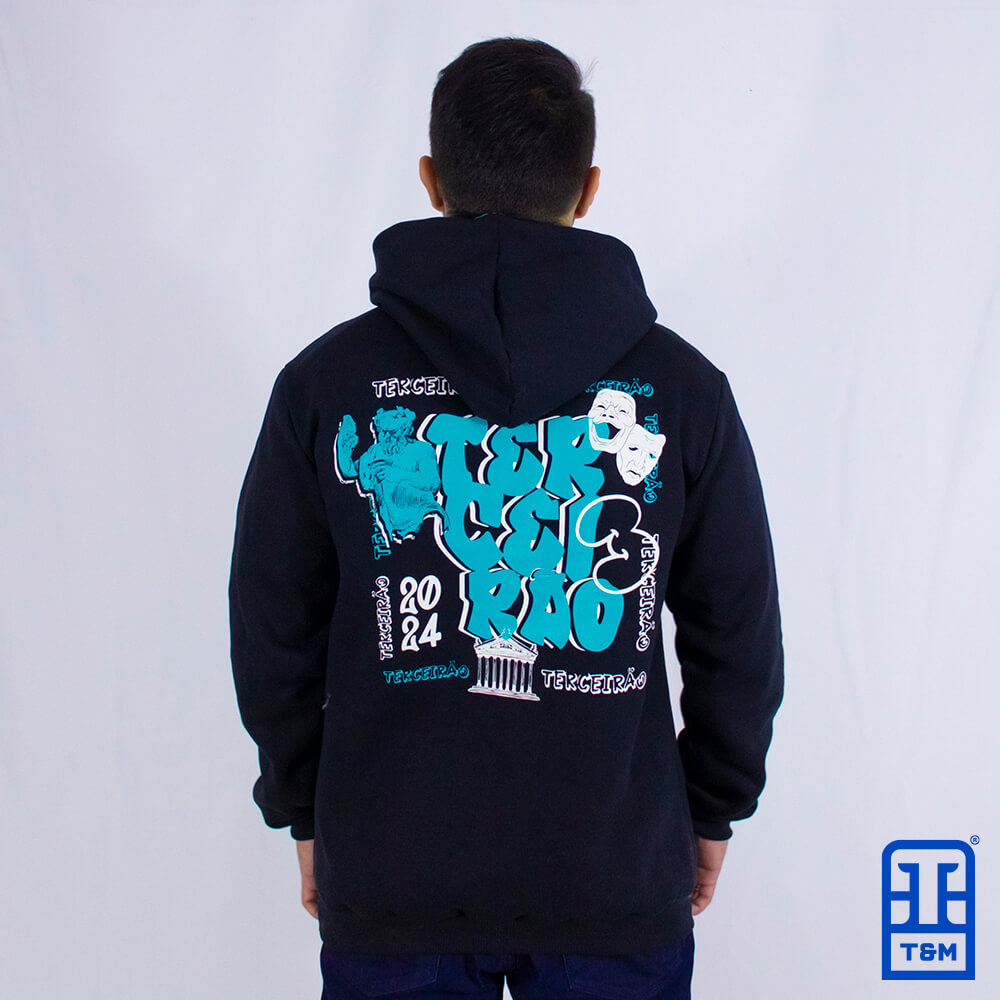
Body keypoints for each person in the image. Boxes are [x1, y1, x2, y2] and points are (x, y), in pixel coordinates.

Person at [230, 37, 783, 1000]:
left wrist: (304, 808)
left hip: (394, 877)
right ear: (589, 188)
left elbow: (273, 623)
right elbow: (738, 628)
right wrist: (712, 808)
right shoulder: (684, 390)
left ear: (430, 179)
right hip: (612, 874)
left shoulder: (325, 385)